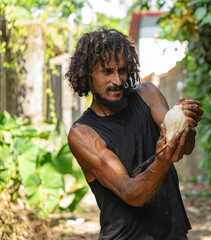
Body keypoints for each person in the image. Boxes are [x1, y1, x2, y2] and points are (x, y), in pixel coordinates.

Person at [65, 28, 203, 240]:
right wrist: (162, 162)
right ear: (87, 76)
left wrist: (186, 124)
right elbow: (130, 193)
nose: (118, 80)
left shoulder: (147, 94)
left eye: (122, 70)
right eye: (107, 71)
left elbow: (181, 146)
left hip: (173, 234)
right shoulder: (82, 134)